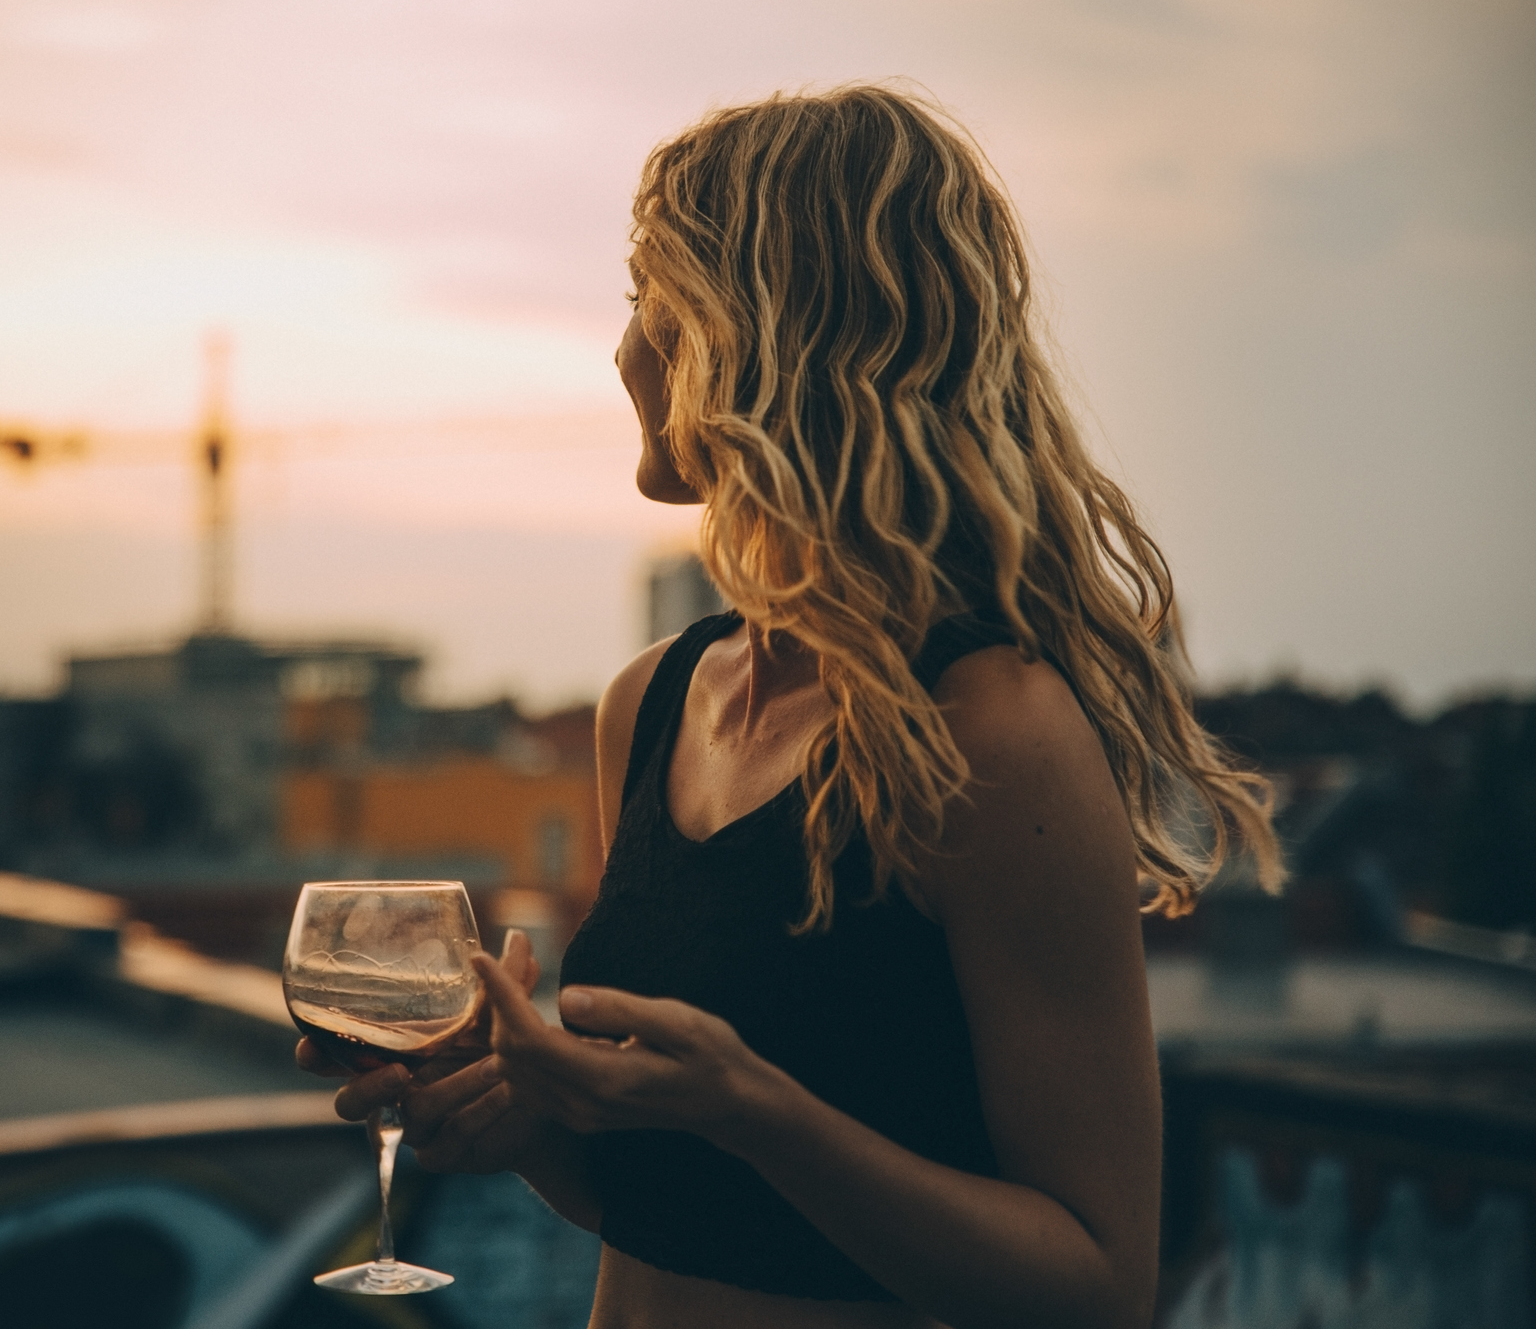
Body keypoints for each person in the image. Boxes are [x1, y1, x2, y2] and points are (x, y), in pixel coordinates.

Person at [297, 83, 1280, 1329]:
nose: (623, 349)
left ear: (763, 330)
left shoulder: (991, 731)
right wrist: (533, 1120)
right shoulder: (650, 704)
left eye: (650, 300)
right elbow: (666, 1210)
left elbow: (1094, 1288)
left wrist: (755, 1110)